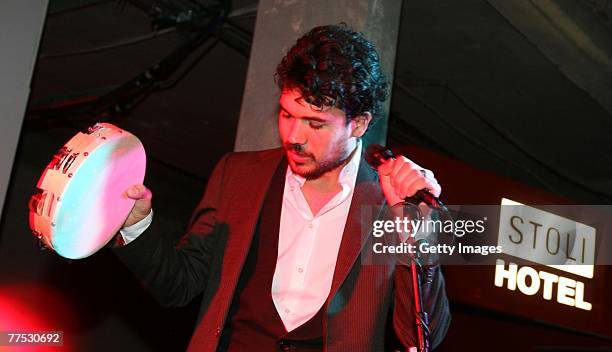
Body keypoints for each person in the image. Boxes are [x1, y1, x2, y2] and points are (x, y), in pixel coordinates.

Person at [114, 24, 450, 352]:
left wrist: (419, 233)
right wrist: (135, 225)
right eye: (287, 114)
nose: (294, 137)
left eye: (315, 123)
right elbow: (179, 284)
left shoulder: (391, 206)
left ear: (359, 123)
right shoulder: (238, 175)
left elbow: (421, 338)